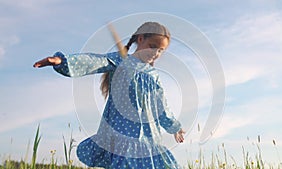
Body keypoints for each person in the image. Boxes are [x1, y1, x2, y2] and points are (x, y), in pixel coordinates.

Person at [33, 22, 185, 169]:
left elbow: (160, 105)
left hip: (150, 136)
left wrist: (175, 127)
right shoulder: (121, 60)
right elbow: (94, 61)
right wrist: (63, 61)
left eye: (161, 50)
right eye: (153, 46)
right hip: (123, 134)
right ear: (140, 39)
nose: (156, 53)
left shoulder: (153, 75)